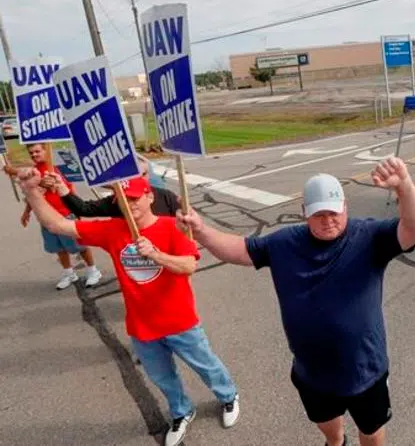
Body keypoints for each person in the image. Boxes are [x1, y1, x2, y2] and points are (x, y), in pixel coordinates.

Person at [177, 157, 415, 446]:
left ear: (345, 207)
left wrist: (405, 186)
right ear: (304, 213)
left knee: (372, 431)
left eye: (334, 211)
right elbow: (239, 250)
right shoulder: (284, 243)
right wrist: (201, 230)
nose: (328, 220)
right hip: (312, 373)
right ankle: (336, 443)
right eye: (319, 214)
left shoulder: (370, 236)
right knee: (326, 424)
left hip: (364, 370)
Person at [16, 169, 241, 446]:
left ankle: (228, 396)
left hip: (180, 322)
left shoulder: (173, 226)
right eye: (122, 199)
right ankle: (181, 411)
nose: (129, 204)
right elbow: (59, 226)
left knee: (206, 365)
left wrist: (156, 255)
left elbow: (188, 266)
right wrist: (31, 191)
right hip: (141, 326)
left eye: (134, 197)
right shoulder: (113, 229)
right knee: (162, 378)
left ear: (149, 196)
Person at [3, 143, 102, 290]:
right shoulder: (35, 169)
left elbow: (53, 184)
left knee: (79, 246)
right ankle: (69, 273)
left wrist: (13, 170)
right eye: (31, 153)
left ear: (46, 151)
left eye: (37, 151)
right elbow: (34, 193)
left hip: (65, 215)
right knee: (58, 247)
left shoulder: (56, 168)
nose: (34, 155)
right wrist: (27, 212)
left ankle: (93, 270)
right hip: (46, 218)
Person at [42, 154, 180, 217]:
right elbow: (83, 209)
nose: (140, 180)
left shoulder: (167, 197)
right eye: (134, 176)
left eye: (143, 174)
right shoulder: (118, 200)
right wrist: (62, 188)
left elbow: (185, 225)